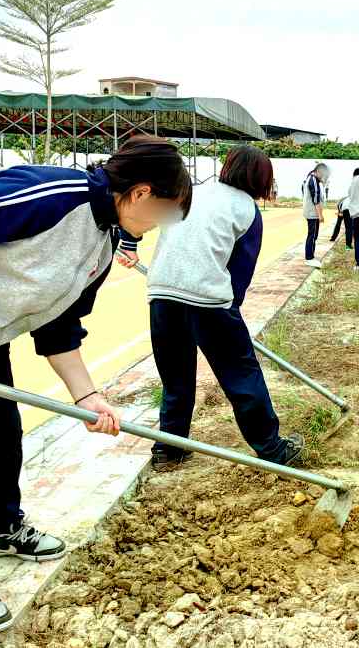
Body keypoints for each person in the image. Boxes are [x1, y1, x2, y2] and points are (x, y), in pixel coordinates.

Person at [0, 135, 192, 634]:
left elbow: (58, 327)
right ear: (140, 193)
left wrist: (89, 396)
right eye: (166, 212)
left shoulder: (105, 242)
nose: (160, 227)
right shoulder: (48, 195)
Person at [122, 146, 305, 472]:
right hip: (209, 303)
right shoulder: (246, 210)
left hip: (162, 295)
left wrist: (129, 246)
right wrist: (229, 313)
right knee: (241, 376)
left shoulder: (189, 191)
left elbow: (142, 217)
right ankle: (274, 450)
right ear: (261, 178)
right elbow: (240, 274)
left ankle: (169, 448)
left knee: (176, 378)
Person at [302, 163, 328, 268]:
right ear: (318, 171)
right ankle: (309, 258)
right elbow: (316, 199)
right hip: (312, 213)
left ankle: (311, 256)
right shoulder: (312, 180)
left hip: (312, 212)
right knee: (312, 235)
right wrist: (320, 215)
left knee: (313, 235)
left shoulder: (313, 178)